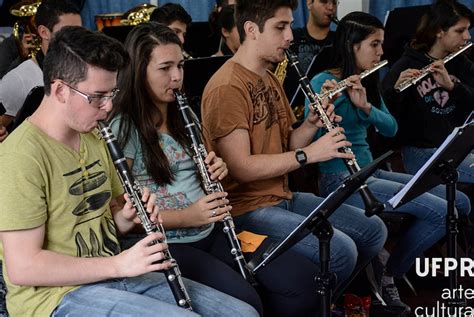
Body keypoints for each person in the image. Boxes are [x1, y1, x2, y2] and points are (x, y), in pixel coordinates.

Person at [0, 25, 258, 317]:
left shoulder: (94, 137)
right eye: (98, 96)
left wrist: (125, 217)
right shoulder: (20, 157)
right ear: (60, 90)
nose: (109, 107)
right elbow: (24, 267)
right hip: (56, 298)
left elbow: (107, 217)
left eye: (112, 93)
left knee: (242, 313)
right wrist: (119, 264)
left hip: (110, 276)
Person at [109, 21, 323, 316]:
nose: (176, 77)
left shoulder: (185, 116)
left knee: (306, 282)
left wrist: (215, 168)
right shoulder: (124, 128)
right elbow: (120, 214)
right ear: (138, 71)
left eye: (181, 66)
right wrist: (188, 216)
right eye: (164, 68)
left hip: (214, 231)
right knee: (247, 303)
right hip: (171, 245)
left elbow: (201, 169)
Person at [201, 0, 387, 299]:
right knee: (341, 250)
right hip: (247, 208)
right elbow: (241, 167)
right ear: (251, 30)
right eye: (280, 27)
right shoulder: (228, 87)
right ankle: (319, 304)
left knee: (373, 230)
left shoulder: (269, 76)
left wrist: (312, 124)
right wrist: (309, 155)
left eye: (289, 25)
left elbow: (288, 141)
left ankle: (333, 300)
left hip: (281, 194)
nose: (290, 36)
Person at [307, 11, 471, 311]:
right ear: (352, 45)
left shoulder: (367, 81)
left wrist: (366, 106)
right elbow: (308, 136)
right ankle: (391, 274)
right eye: (374, 44)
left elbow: (390, 128)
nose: (381, 52)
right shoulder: (321, 81)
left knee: (459, 201)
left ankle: (389, 268)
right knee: (440, 211)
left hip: (372, 170)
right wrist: (328, 103)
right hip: (340, 178)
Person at [381, 0, 474, 184]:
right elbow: (386, 122)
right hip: (421, 151)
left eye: (468, 29)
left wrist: (454, 88)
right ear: (439, 31)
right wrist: (396, 92)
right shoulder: (405, 65)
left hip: (456, 146)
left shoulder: (461, 62)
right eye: (460, 30)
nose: (467, 37)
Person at [0, 0, 82, 129]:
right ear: (44, 32)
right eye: (67, 31)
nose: (76, 38)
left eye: (79, 31)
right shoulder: (17, 79)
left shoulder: (83, 69)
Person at [290, 0, 337, 74]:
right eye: (324, 1)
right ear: (309, 3)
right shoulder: (291, 37)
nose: (331, 7)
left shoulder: (339, 40)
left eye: (334, 3)